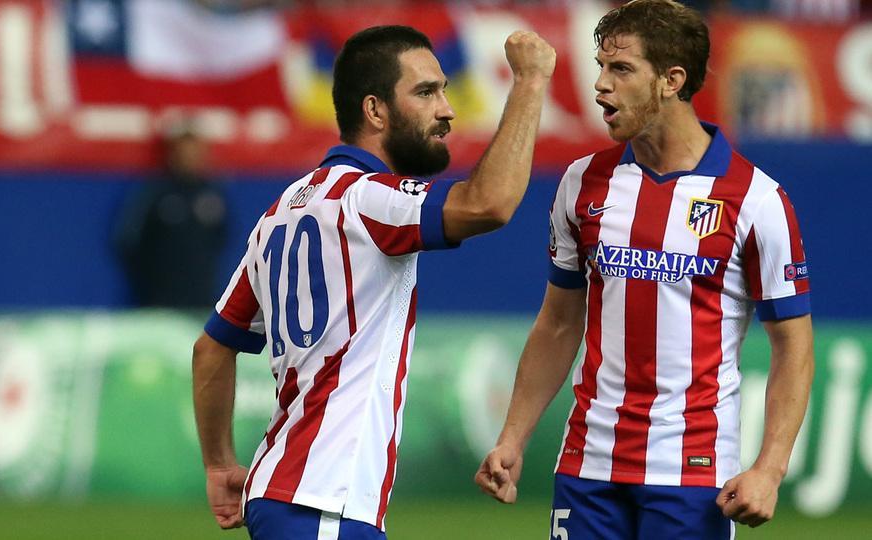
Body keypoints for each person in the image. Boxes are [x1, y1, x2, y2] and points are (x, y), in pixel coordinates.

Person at [192, 25, 556, 539]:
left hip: (290, 493)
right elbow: (487, 203)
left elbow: (212, 347)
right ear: (375, 110)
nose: (447, 109)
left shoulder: (280, 212)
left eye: (443, 90)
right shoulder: (367, 199)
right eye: (426, 92)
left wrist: (219, 464)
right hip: (323, 500)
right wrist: (530, 82)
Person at [474, 1, 814, 539]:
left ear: (671, 81)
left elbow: (793, 347)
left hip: (692, 475)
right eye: (600, 67)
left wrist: (769, 470)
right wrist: (513, 437)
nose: (600, 86)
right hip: (587, 466)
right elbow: (559, 323)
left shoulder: (756, 199)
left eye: (622, 69)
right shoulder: (581, 183)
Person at [114, 127, 228, 307]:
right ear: (173, 154)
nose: (190, 158)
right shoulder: (155, 194)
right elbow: (129, 241)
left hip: (202, 299)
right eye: (184, 153)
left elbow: (222, 238)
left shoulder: (213, 195)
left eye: (195, 153)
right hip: (161, 302)